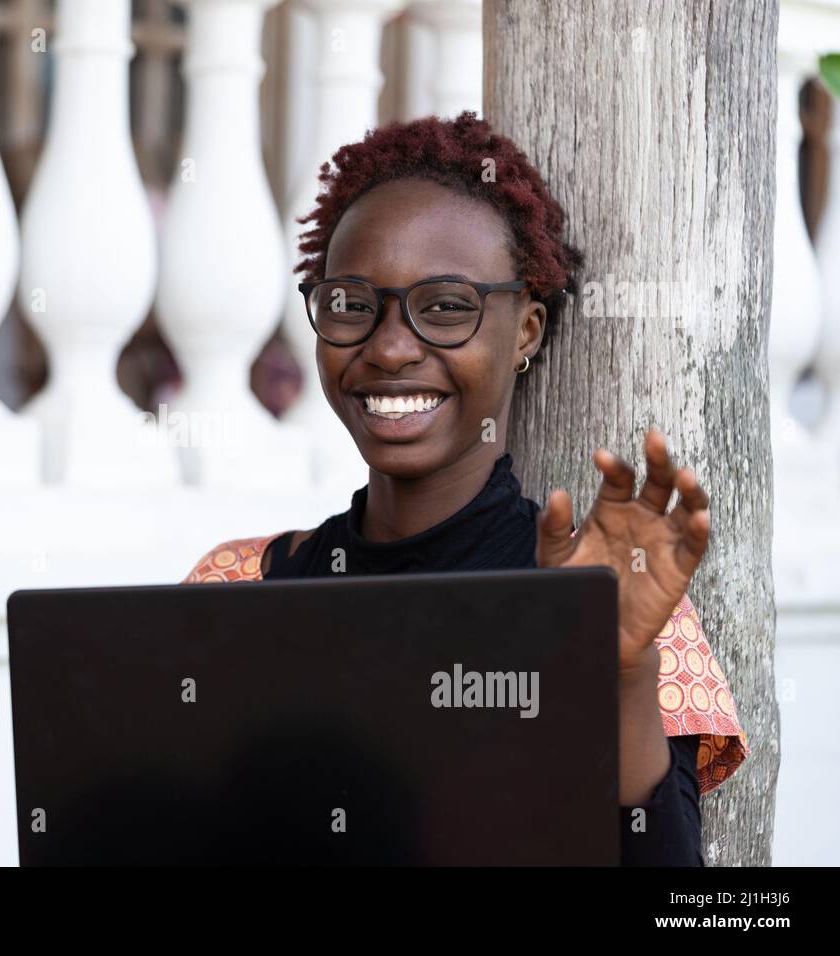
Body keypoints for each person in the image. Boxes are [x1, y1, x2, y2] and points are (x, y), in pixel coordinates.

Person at [183, 113, 748, 866]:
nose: (387, 347)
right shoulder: (237, 589)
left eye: (446, 306)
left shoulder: (610, 595)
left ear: (525, 332)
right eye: (352, 303)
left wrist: (619, 673)